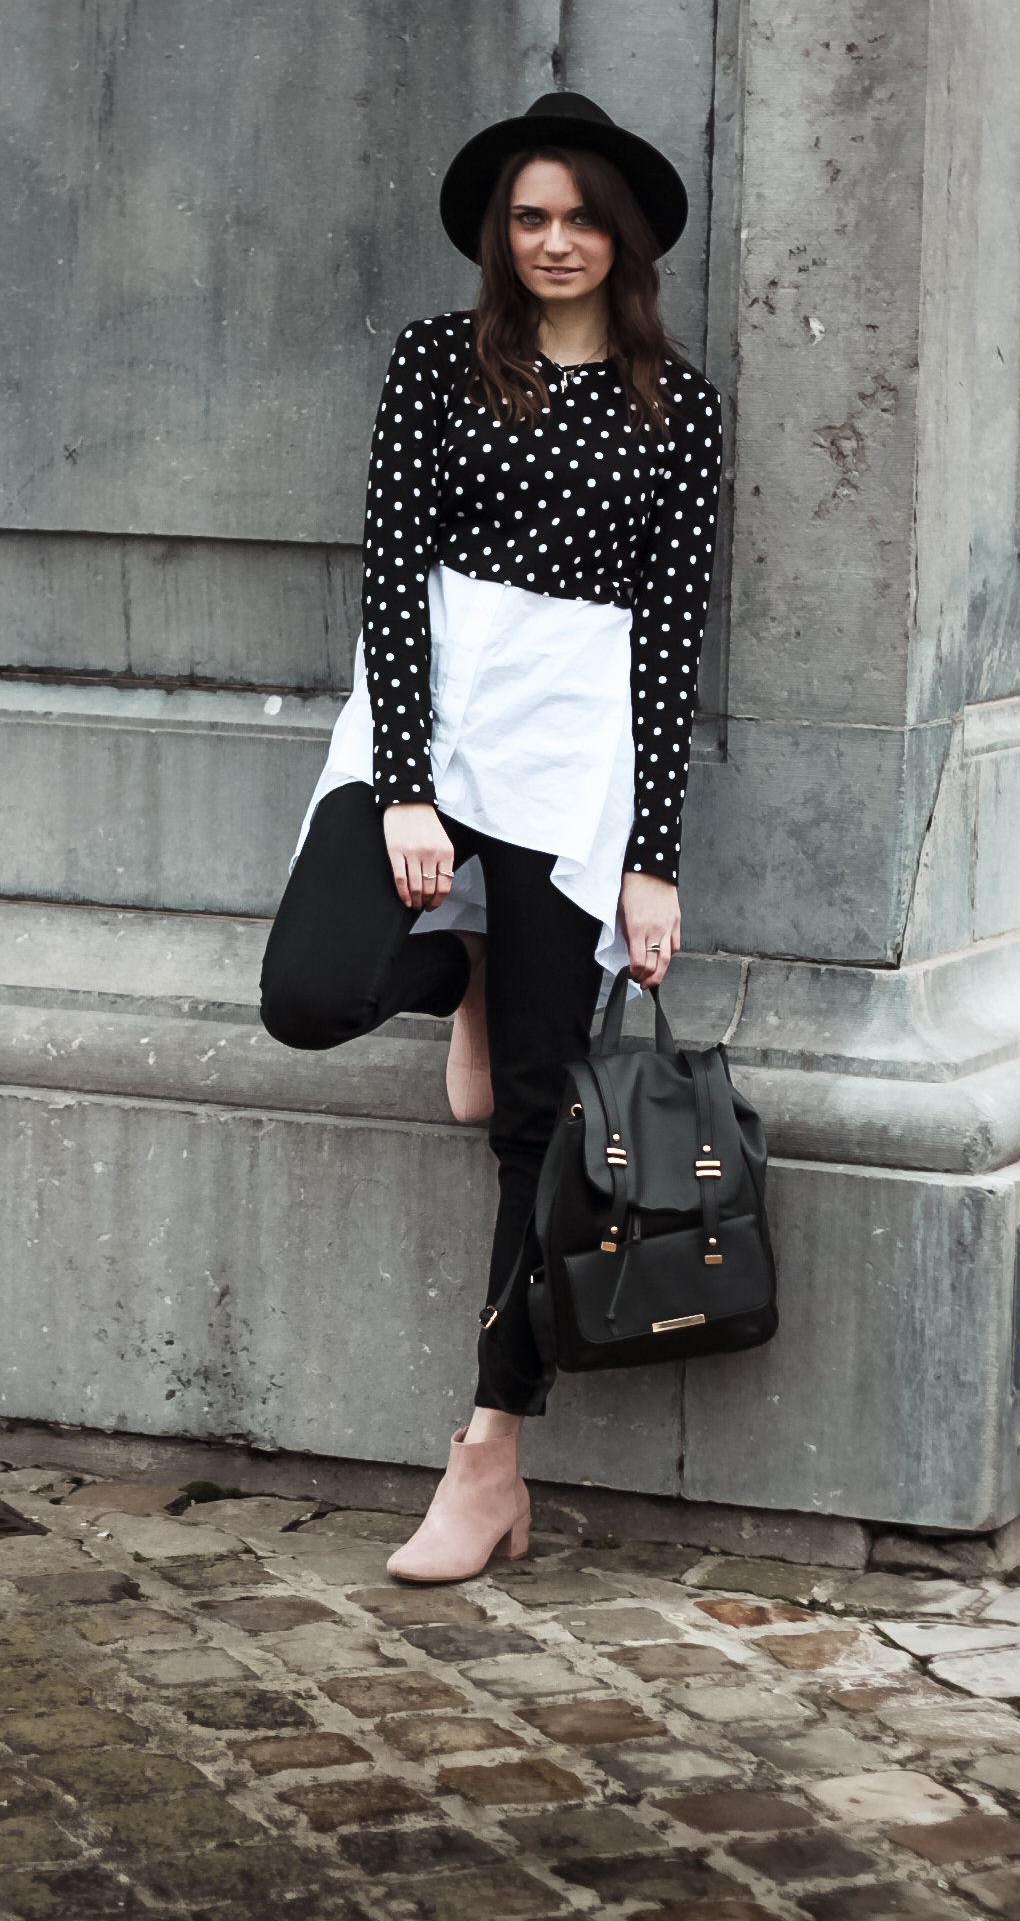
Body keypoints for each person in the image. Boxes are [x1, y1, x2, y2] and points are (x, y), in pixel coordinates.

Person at [260, 90, 722, 1581]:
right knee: (311, 991)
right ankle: (453, 965)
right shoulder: (435, 361)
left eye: (581, 218)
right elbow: (393, 570)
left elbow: (671, 644)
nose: (556, 241)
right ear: (498, 234)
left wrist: (653, 858)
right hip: (434, 726)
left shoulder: (678, 404)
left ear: (623, 236)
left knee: (535, 1119)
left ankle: (489, 1455)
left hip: (573, 760)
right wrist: (405, 785)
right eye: (531, 217)